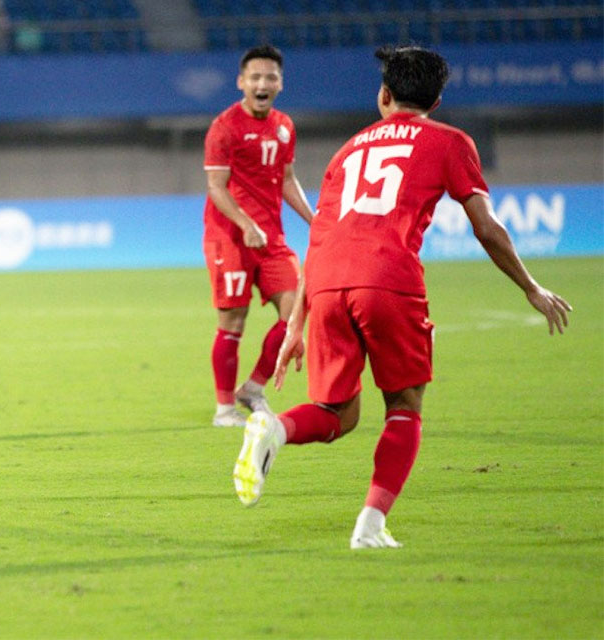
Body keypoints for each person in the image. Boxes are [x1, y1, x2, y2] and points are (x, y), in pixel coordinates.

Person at [233, 45, 571, 548]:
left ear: (384, 94)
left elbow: (320, 237)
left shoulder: (348, 150)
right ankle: (369, 527)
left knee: (337, 413)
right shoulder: (450, 141)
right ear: (435, 101)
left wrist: (297, 326)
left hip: (325, 283)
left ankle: (275, 431)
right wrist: (531, 286)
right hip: (387, 278)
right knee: (404, 405)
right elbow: (486, 226)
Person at [203, 45, 314, 428]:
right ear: (241, 82)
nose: (262, 83)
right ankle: (224, 410)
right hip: (229, 237)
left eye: (270, 77)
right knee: (233, 321)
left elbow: (286, 180)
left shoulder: (285, 126)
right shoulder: (224, 126)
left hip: (272, 239)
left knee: (297, 309)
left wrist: (315, 220)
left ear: (280, 84)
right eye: (255, 77)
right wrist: (246, 224)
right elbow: (217, 187)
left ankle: (252, 388)